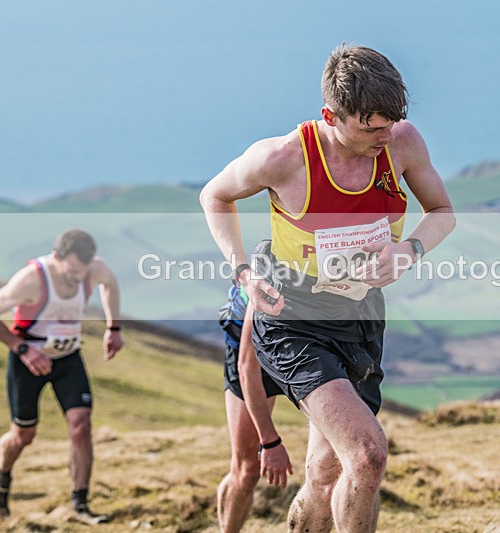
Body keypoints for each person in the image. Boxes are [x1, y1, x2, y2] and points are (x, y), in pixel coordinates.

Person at [200, 44, 454, 532]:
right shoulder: (283, 158)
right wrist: (243, 272)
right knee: (367, 454)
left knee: (325, 473)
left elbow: (442, 212)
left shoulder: (402, 141)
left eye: (391, 124)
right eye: (371, 128)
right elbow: (215, 195)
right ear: (330, 116)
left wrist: (410, 249)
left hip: (360, 316)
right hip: (293, 318)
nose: (385, 137)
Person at [0, 228, 124, 523]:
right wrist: (23, 350)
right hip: (29, 362)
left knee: (81, 425)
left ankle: (80, 505)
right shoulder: (32, 279)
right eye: (72, 272)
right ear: (57, 257)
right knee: (23, 436)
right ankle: (1, 483)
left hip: (68, 358)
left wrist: (114, 328)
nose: (77, 278)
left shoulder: (94, 269)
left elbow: (110, 284)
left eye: (82, 273)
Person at [217, 277, 293, 532]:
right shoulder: (271, 282)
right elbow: (247, 368)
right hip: (250, 347)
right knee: (247, 469)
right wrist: (269, 441)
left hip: (299, 342)